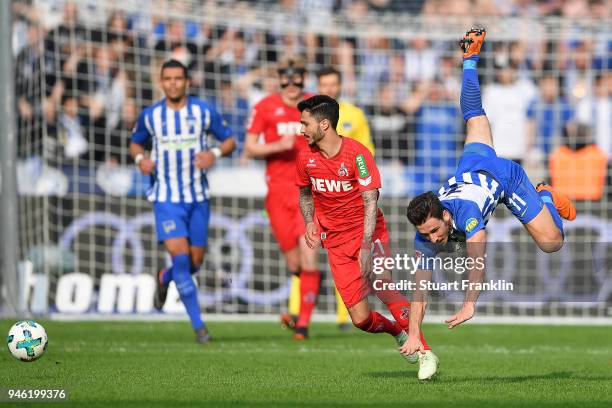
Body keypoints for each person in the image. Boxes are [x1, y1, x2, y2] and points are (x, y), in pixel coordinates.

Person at [402, 29, 576, 356]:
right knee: (474, 116)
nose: (434, 238)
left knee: (552, 243)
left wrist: (469, 304)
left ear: (447, 214)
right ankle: (470, 61)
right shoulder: (427, 230)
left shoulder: (467, 217)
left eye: (436, 231)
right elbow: (420, 287)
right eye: (426, 233)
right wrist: (414, 334)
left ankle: (546, 196)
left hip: (505, 177)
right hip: (472, 163)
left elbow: (477, 262)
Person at [296, 95, 439, 380]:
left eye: (305, 123)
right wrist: (310, 221)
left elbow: (371, 200)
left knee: (384, 287)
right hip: (335, 241)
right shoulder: (305, 157)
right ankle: (398, 332)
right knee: (361, 319)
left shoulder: (357, 155)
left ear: (324, 124)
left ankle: (424, 351)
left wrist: (365, 244)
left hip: (368, 233)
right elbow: (303, 192)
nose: (301, 129)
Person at [129, 59, 236, 343]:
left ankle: (164, 278)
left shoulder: (203, 111)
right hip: (166, 198)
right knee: (180, 260)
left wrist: (214, 153)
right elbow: (135, 142)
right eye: (168, 78)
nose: (174, 83)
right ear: (161, 82)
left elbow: (229, 141)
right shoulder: (151, 115)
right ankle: (200, 327)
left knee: (194, 263)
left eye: (179, 78)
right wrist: (141, 159)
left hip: (198, 198)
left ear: (187, 81)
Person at [244, 55, 320, 340]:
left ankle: (303, 325)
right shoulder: (265, 107)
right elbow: (250, 147)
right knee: (295, 265)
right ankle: (309, 292)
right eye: (285, 77)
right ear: (279, 79)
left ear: (303, 77)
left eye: (296, 76)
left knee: (309, 259)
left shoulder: (316, 104)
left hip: (310, 193)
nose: (291, 83)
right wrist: (279, 145)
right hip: (277, 194)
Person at [316, 65, 375, 330]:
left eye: (332, 84)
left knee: (348, 255)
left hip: (348, 196)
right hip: (320, 194)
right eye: (324, 84)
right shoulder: (307, 118)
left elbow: (366, 153)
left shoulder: (354, 115)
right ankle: (297, 312)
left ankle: (346, 316)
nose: (329, 89)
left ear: (339, 86)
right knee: (308, 253)